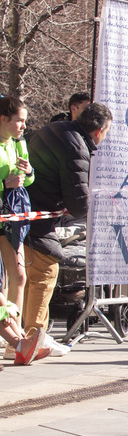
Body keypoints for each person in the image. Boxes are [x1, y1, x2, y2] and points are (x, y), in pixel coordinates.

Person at [22, 102, 112, 350]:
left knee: (28, 278)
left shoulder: (57, 129)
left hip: (27, 211)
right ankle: (35, 338)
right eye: (107, 132)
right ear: (99, 131)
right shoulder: (76, 147)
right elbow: (78, 203)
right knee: (45, 272)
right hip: (37, 215)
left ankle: (23, 338)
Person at [0, 96, 33, 323]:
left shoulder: (18, 143)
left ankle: (16, 336)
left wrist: (29, 172)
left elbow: (27, 181)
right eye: (19, 121)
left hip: (11, 216)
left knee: (19, 276)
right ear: (3, 119)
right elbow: (8, 182)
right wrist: (4, 185)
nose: (24, 126)